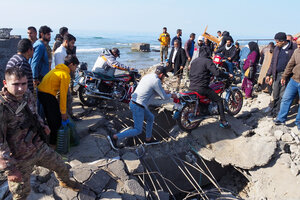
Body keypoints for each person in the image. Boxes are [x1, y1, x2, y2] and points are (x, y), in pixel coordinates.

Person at [0, 67, 80, 200]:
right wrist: (11, 170)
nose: (20, 88)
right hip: (20, 159)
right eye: (15, 84)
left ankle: (65, 182)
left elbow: (34, 113)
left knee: (61, 166)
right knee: (21, 193)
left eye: (24, 84)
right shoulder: (3, 107)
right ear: (5, 83)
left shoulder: (27, 95)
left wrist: (43, 125)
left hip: (38, 147)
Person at [107, 66, 176, 150]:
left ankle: (148, 139)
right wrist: (172, 95)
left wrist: (164, 91)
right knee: (137, 130)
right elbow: (164, 97)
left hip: (136, 103)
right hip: (138, 106)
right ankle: (114, 137)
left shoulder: (148, 76)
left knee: (150, 117)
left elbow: (150, 90)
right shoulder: (156, 81)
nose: (164, 78)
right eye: (164, 76)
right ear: (161, 75)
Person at [38, 55, 79, 146]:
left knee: (48, 119)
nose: (75, 69)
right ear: (71, 64)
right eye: (75, 66)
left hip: (40, 93)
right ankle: (53, 145)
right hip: (48, 96)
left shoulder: (56, 70)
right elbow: (63, 95)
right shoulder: (65, 75)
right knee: (55, 122)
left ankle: (47, 141)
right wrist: (63, 112)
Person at [189, 46, 233, 128]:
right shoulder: (208, 61)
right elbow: (217, 73)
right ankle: (223, 121)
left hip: (191, 86)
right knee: (219, 100)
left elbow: (193, 73)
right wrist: (227, 74)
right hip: (202, 87)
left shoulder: (194, 61)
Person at [265, 32, 296, 118]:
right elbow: (273, 63)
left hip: (286, 76)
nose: (276, 43)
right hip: (276, 74)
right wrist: (268, 74)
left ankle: (277, 113)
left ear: (283, 41)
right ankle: (274, 110)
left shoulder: (292, 49)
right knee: (275, 94)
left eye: (277, 42)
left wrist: (287, 75)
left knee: (282, 95)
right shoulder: (277, 49)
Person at [274, 38, 300, 129]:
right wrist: (284, 76)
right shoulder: (296, 51)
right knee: (286, 98)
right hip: (294, 80)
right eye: (298, 44)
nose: (298, 46)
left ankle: (298, 122)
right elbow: (290, 64)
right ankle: (281, 119)